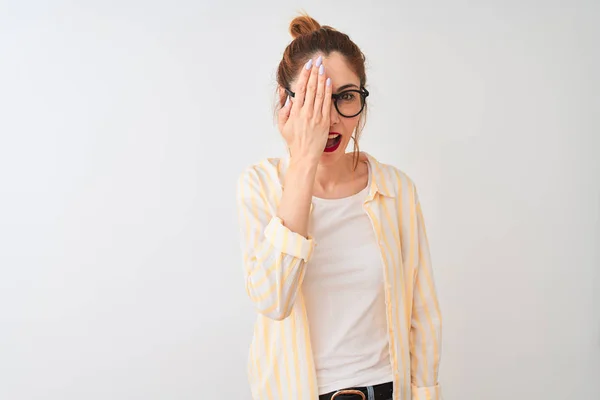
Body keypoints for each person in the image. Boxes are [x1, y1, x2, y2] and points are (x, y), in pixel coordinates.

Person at [236, 13, 442, 400]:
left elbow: (423, 312)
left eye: (345, 97)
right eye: (314, 99)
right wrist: (303, 162)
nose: (329, 119)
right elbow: (271, 300)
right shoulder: (260, 186)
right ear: (286, 100)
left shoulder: (395, 189)